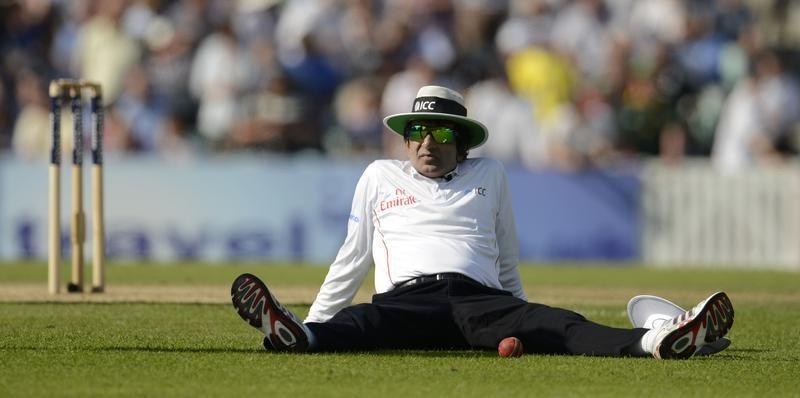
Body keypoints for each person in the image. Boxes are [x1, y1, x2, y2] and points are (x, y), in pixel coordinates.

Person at [230, 85, 734, 359]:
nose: (429, 142)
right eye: (419, 131)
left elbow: (505, 253)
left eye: (442, 132)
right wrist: (318, 318)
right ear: (406, 140)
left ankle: (658, 340)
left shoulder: (489, 173)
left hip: (481, 301)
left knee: (560, 324)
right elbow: (351, 258)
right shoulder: (379, 175)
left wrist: (519, 316)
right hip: (408, 299)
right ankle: (303, 335)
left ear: (462, 143)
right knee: (361, 322)